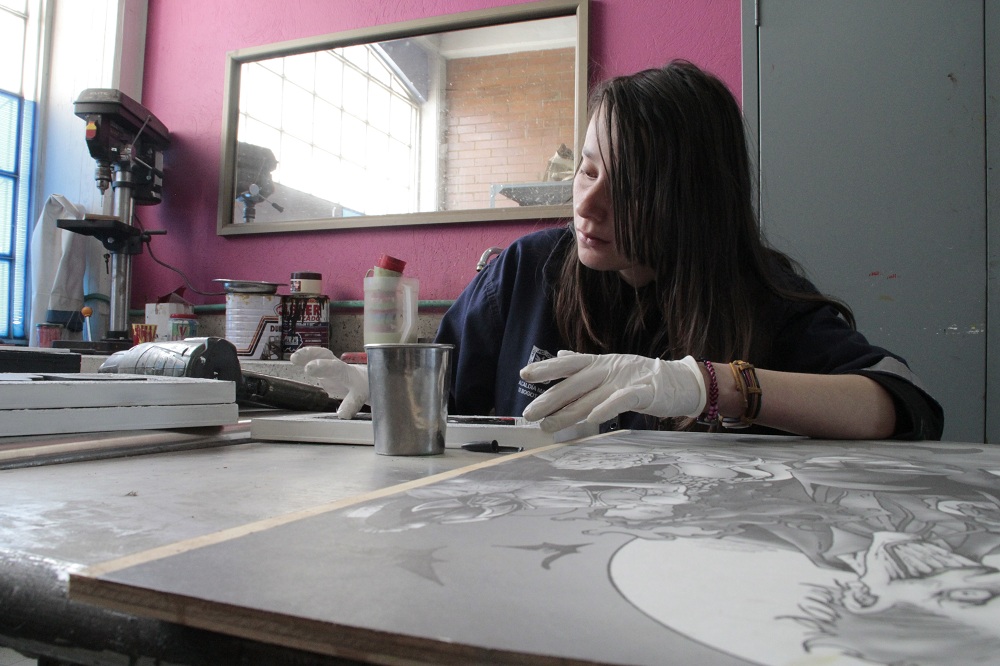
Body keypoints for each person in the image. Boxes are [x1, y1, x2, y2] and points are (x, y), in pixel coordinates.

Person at [293, 60, 943, 441]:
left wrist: (709, 386)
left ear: (691, 198)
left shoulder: (752, 291)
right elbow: (450, 397)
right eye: (585, 168)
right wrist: (384, 390)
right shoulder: (527, 271)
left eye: (626, 184)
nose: (588, 204)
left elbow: (901, 404)